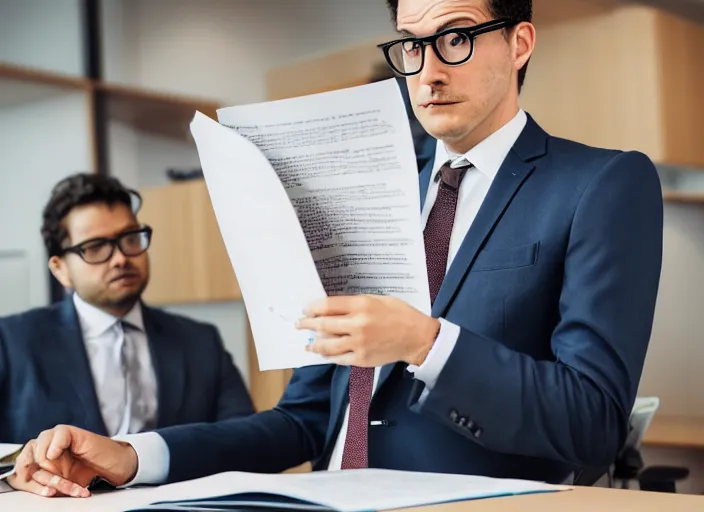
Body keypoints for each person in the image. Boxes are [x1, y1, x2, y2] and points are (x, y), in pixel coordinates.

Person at [8, 0, 663, 498]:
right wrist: (131, 455)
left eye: (455, 38)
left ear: (519, 42)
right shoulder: (366, 199)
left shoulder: (600, 185)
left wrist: (426, 343)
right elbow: (301, 419)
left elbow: (594, 423)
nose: (427, 71)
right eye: (410, 46)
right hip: (322, 499)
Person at [0, 173, 254, 449]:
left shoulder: (201, 341)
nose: (121, 258)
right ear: (60, 269)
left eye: (130, 238)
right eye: (95, 247)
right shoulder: (11, 343)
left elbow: (245, 442)